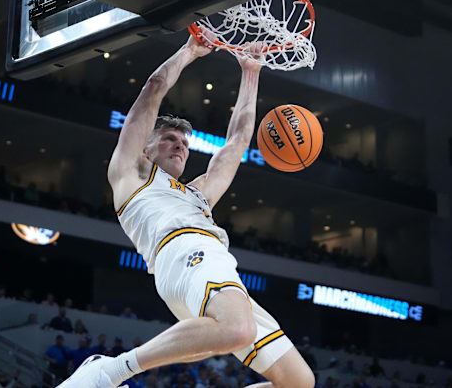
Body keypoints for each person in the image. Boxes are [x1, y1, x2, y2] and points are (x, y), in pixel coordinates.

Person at [57, 31, 314, 388]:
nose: (179, 146)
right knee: (238, 329)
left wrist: (251, 72)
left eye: (184, 143)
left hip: (206, 263)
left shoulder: (197, 194)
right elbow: (154, 87)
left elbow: (238, 142)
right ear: (147, 148)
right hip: (184, 252)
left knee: (299, 382)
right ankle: (109, 371)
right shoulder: (132, 174)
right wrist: (188, 52)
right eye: (169, 139)